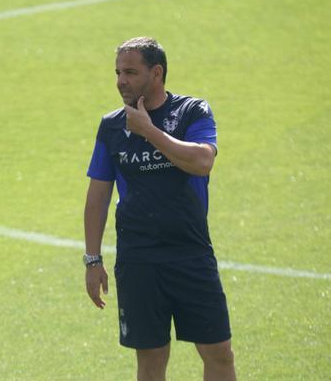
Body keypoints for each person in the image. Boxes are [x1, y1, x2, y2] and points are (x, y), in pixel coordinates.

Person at [83, 37, 236, 380]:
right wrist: (93, 260)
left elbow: (201, 161)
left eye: (130, 72)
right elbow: (97, 196)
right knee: (151, 360)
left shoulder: (192, 111)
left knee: (219, 353)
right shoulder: (111, 126)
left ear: (156, 73)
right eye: (118, 72)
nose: (121, 81)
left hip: (190, 253)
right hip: (139, 259)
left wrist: (149, 132)